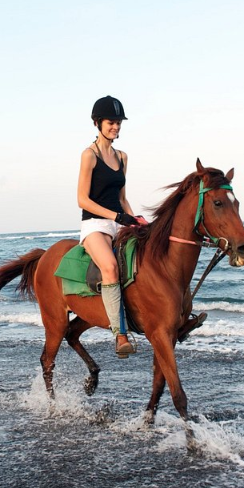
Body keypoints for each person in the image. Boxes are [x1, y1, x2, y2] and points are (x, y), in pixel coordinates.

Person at [77, 95, 145, 358]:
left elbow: (122, 199)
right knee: (110, 267)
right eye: (111, 122)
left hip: (119, 222)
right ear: (98, 123)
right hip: (95, 225)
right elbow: (82, 199)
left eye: (118, 122)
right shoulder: (89, 155)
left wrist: (136, 220)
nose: (115, 127)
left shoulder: (122, 156)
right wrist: (116, 218)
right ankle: (120, 335)